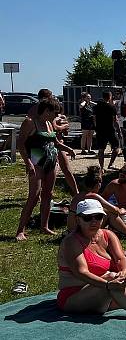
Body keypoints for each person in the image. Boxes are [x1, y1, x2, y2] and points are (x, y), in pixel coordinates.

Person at [15, 98, 76, 241]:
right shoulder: (30, 122)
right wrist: (28, 162)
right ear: (47, 111)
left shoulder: (49, 123)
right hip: (37, 159)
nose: (56, 117)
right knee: (34, 196)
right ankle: (20, 230)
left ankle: (44, 226)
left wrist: (68, 149)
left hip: (51, 159)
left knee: (48, 194)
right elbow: (21, 144)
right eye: (54, 113)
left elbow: (54, 142)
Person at [68, 166, 126, 240]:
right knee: (110, 214)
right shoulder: (94, 196)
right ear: (98, 184)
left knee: (105, 213)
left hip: (72, 229)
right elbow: (115, 210)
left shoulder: (78, 196)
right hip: (80, 231)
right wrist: (121, 210)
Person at [27, 89, 78, 196]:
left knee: (61, 169)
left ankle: (75, 192)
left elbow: (53, 127)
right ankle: (39, 194)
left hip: (51, 143)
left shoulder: (39, 110)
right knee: (40, 173)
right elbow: (52, 126)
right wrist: (63, 126)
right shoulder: (41, 110)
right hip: (44, 144)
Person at [94, 91, 122, 171]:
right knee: (116, 147)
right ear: (110, 96)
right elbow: (115, 120)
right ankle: (111, 164)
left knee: (101, 149)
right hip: (110, 129)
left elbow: (94, 119)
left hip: (100, 130)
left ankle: (101, 167)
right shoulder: (111, 107)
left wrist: (97, 128)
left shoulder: (96, 107)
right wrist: (119, 131)